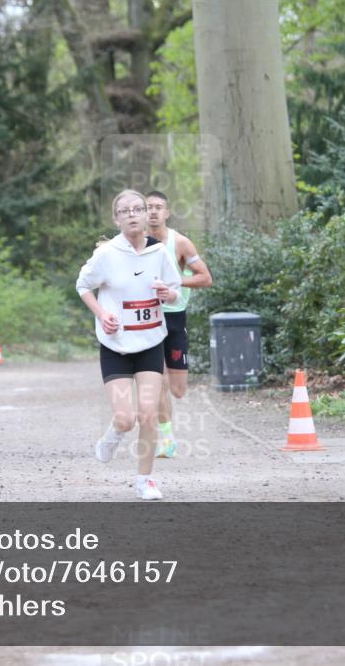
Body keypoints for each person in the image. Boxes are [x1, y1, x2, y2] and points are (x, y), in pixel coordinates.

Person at [76, 190, 181, 500]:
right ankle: (113, 435)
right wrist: (101, 313)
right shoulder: (107, 254)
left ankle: (145, 481)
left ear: (146, 214)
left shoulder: (159, 252)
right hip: (116, 346)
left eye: (138, 209)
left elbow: (175, 291)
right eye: (125, 211)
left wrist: (167, 294)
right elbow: (83, 285)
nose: (133, 214)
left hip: (150, 344)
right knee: (125, 418)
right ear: (116, 218)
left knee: (148, 415)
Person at [145, 191, 213, 458]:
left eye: (158, 207)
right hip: (148, 318)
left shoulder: (181, 243)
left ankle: (167, 435)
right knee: (157, 381)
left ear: (167, 212)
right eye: (148, 207)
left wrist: (175, 281)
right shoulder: (135, 243)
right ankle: (167, 440)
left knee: (178, 390)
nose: (153, 212)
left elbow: (206, 278)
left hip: (175, 318)